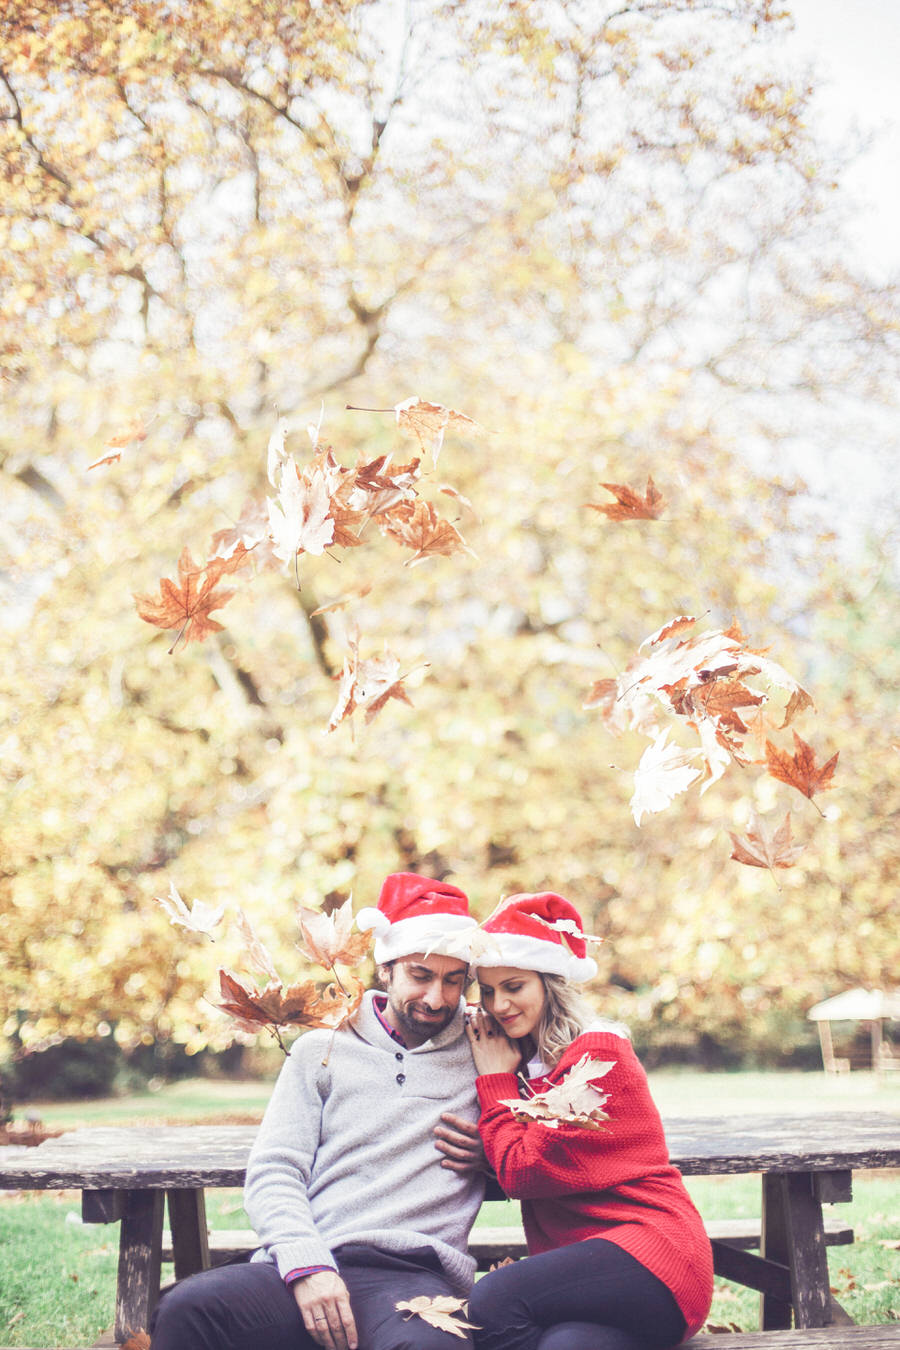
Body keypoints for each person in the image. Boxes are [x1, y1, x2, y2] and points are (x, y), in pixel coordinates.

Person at [150, 872, 486, 1350]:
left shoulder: (486, 1051)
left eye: (454, 981)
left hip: (413, 1278)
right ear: (386, 968)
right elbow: (274, 1170)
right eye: (421, 975)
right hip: (308, 1261)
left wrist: (491, 1150)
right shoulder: (321, 1051)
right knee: (189, 1309)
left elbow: (551, 1111)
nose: (437, 998)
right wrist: (306, 1263)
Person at [465, 892, 714, 1350]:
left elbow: (523, 1170)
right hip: (598, 1284)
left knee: (493, 1299)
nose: (498, 1005)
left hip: (655, 1256)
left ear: (551, 983)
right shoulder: (533, 1064)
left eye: (514, 986)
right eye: (487, 990)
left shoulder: (597, 1057)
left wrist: (497, 1084)